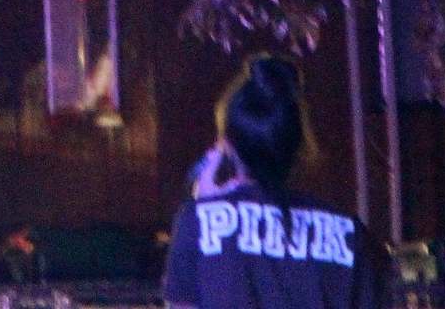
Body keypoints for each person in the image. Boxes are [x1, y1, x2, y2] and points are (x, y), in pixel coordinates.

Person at [163, 55, 383, 309]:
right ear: (297, 146)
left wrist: (207, 212)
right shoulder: (349, 232)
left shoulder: (196, 222)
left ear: (227, 148)